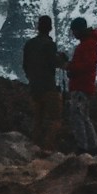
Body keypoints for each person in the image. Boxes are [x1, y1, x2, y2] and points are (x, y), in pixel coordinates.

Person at [21, 16, 62, 151]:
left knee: (38, 120)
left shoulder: (29, 44)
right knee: (55, 120)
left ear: (37, 27)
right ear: (50, 28)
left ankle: (34, 148)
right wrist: (61, 60)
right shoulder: (49, 45)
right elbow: (54, 63)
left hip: (34, 87)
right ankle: (47, 148)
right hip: (49, 87)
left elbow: (25, 65)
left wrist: (31, 78)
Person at [64, 17, 97, 153]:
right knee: (84, 116)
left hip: (81, 85)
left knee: (78, 115)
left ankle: (83, 147)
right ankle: (93, 147)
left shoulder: (87, 45)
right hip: (84, 85)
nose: (73, 34)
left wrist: (70, 67)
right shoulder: (88, 44)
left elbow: (87, 65)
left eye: (74, 31)